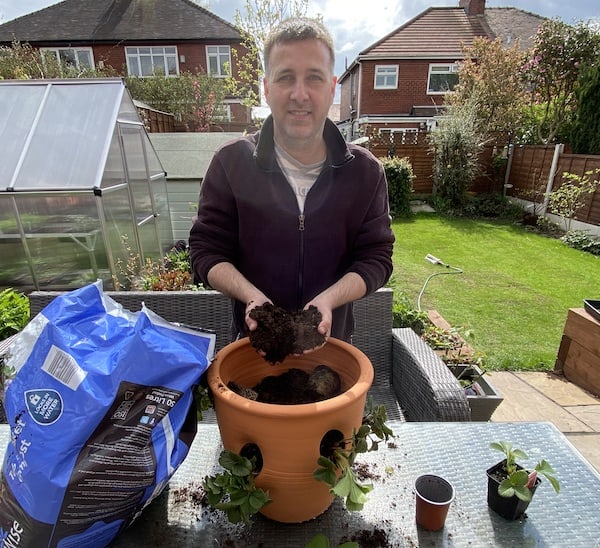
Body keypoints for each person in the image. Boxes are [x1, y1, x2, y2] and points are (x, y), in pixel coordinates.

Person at [189, 17, 394, 348]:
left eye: (313, 77)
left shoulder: (365, 173)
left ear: (331, 86)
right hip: (254, 350)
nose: (300, 94)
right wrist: (250, 295)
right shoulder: (231, 164)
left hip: (332, 351)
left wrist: (328, 300)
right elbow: (205, 250)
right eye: (286, 77)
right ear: (267, 88)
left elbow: (376, 257)